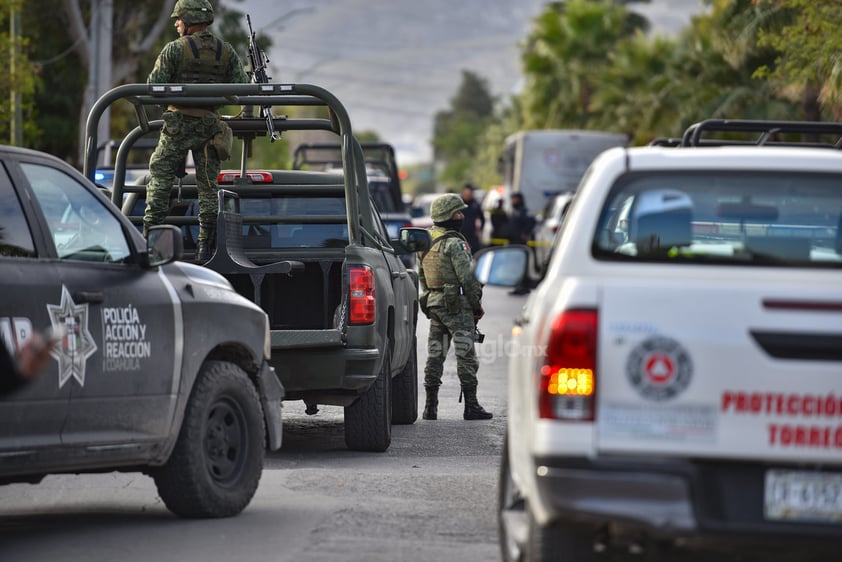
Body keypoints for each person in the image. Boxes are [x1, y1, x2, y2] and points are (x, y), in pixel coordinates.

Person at [143, 0, 250, 262]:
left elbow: (153, 86)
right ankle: (205, 247)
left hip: (177, 127)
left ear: (189, 20)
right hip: (209, 129)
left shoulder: (174, 50)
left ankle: (149, 242)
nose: (177, 24)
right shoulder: (225, 51)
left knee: (159, 179)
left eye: (179, 19)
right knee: (208, 188)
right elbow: (243, 87)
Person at [419, 193, 493, 421]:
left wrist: (431, 296)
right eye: (458, 212)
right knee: (466, 355)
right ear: (447, 215)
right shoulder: (455, 243)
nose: (462, 216)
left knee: (435, 355)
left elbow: (422, 276)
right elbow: (468, 279)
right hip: (456, 307)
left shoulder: (425, 240)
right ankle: (471, 406)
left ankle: (430, 407)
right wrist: (476, 305)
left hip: (435, 304)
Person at [507, 192, 536, 295]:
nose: (513, 201)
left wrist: (525, 233)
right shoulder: (516, 211)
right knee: (516, 266)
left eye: (514, 199)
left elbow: (532, 221)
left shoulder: (523, 211)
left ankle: (523, 287)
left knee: (521, 265)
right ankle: (519, 286)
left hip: (520, 243)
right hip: (514, 242)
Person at [459, 183, 485, 253]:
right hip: (460, 236)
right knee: (463, 253)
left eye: (470, 193)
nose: (468, 195)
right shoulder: (458, 204)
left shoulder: (475, 204)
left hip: (472, 236)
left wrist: (480, 230)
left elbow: (482, 218)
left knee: (474, 253)